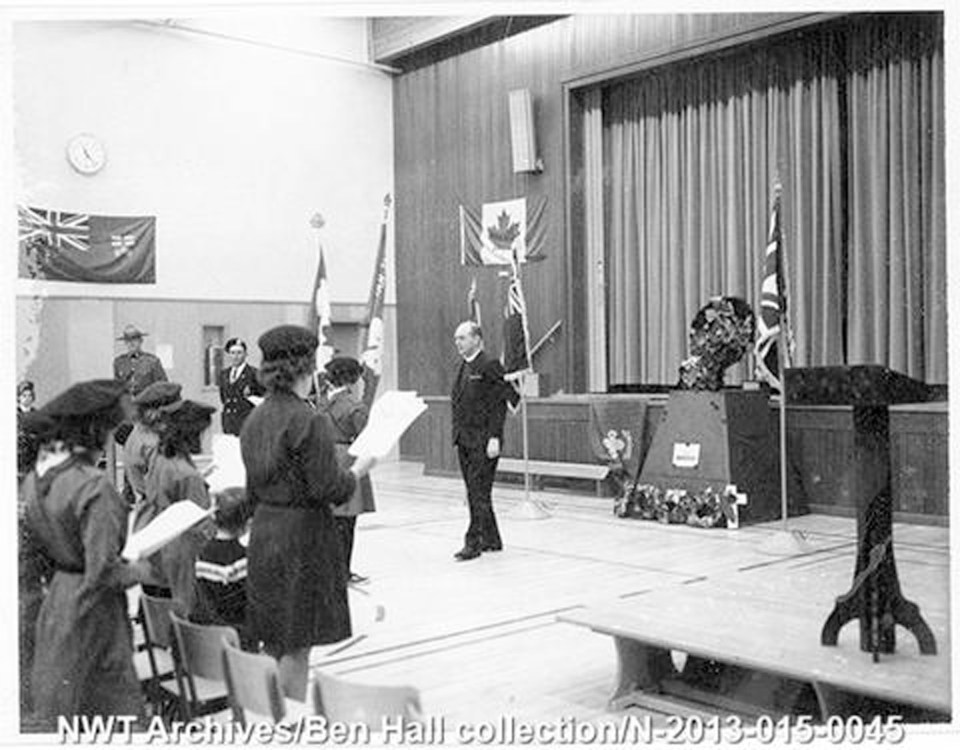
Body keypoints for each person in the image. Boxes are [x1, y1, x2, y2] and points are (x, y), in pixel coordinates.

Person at [240, 325, 375, 700]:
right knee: (298, 644)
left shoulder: (255, 419)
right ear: (308, 364)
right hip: (303, 537)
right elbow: (327, 488)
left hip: (266, 532)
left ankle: (266, 720)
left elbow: (252, 489)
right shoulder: (307, 419)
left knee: (272, 638)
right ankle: (288, 729)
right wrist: (358, 471)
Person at [19, 379, 152, 729]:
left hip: (59, 601)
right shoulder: (94, 487)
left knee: (65, 707)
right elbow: (103, 571)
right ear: (96, 431)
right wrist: (141, 570)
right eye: (109, 429)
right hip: (95, 613)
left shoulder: (35, 480)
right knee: (112, 711)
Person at [137, 398, 215, 615]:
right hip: (180, 555)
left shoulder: (162, 458)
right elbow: (201, 527)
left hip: (158, 552)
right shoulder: (186, 475)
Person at [450, 320, 517, 561]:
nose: (458, 343)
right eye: (457, 338)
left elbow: (498, 405)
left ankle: (473, 542)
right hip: (464, 439)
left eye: (463, 338)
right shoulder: (463, 366)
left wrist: (494, 438)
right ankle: (492, 539)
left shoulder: (489, 365)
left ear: (477, 339)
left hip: (483, 440)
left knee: (477, 491)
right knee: (476, 492)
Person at [322, 356, 376, 584]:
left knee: (330, 521)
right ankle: (343, 571)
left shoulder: (320, 402)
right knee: (347, 523)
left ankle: (330, 570)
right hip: (346, 458)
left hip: (324, 457)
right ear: (352, 379)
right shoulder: (354, 407)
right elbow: (367, 438)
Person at [191, 487, 253, 648]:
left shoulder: (201, 554)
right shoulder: (243, 560)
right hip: (238, 640)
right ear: (247, 524)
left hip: (211, 639)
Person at [120, 381, 182, 508]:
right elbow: (163, 487)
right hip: (162, 510)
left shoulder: (138, 433)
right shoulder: (155, 442)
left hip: (147, 506)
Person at [218, 337, 264, 436]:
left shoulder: (254, 373)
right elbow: (223, 398)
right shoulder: (224, 374)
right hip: (229, 422)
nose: (235, 356)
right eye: (232, 353)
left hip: (246, 422)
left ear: (245, 354)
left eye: (239, 353)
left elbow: (263, 398)